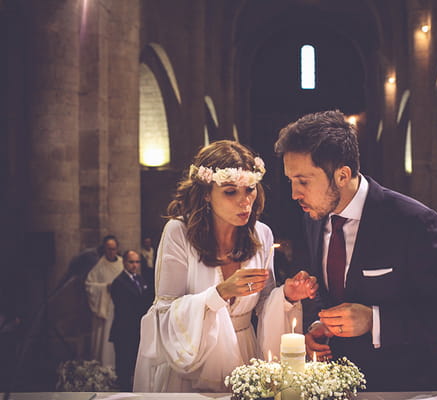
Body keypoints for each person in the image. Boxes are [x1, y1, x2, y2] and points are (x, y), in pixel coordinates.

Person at [274, 110, 437, 391]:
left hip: (407, 387)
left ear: (342, 175)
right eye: (291, 181)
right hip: (336, 385)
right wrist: (319, 324)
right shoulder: (314, 218)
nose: (295, 194)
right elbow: (328, 291)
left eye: (303, 181)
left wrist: (374, 320)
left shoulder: (413, 222)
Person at [133, 140, 318, 392]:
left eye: (250, 189)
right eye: (231, 192)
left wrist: (287, 295)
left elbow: (264, 305)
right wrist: (219, 294)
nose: (244, 202)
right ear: (206, 193)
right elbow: (164, 311)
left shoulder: (261, 234)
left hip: (244, 358)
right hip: (193, 361)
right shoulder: (179, 232)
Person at [110, 250, 153, 391]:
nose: (135, 265)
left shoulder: (140, 279)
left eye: (137, 262)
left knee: (136, 365)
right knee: (124, 366)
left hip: (137, 330)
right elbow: (124, 308)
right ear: (124, 262)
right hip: (124, 330)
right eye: (131, 262)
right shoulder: (118, 282)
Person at [85, 235, 122, 368]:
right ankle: (104, 366)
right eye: (108, 249)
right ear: (104, 249)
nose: (111, 251)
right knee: (104, 338)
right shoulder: (99, 266)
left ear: (117, 249)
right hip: (104, 307)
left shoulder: (122, 264)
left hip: (119, 308)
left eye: (114, 248)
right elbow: (89, 285)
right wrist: (105, 287)